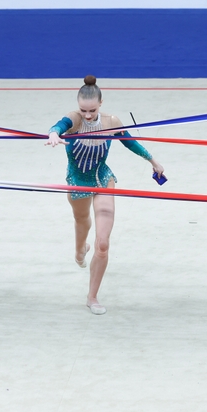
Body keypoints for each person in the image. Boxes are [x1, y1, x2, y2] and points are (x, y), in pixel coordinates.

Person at [46, 75, 164, 315]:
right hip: (77, 181)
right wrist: (53, 134)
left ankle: (92, 297)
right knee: (82, 223)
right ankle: (80, 250)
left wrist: (153, 161)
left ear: (101, 103)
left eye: (92, 110)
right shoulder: (75, 119)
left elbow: (131, 143)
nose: (87, 115)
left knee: (102, 243)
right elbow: (58, 126)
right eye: (83, 110)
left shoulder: (112, 122)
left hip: (102, 179)